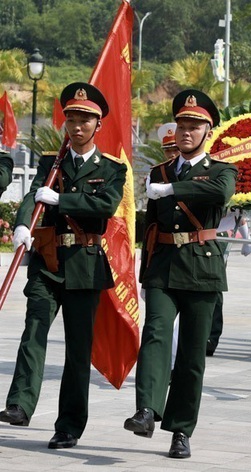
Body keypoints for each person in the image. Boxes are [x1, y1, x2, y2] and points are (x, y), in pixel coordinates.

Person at [0, 83, 127, 449]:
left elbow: (105, 204)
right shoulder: (49, 163)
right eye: (71, 118)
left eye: (85, 119)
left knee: (77, 349)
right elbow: (31, 194)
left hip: (85, 265)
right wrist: (24, 223)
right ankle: (19, 404)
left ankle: (69, 425)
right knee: (34, 328)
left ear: (98, 124)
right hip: (48, 260)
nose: (77, 126)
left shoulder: (112, 169)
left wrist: (63, 199)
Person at [124, 90, 236, 459]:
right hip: (163, 266)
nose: (186, 132)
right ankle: (146, 410)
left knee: (191, 354)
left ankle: (181, 430)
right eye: (182, 125)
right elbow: (151, 227)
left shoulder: (222, 171)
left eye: (195, 126)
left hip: (202, 269)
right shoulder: (159, 172)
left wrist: (173, 188)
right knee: (155, 333)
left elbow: (218, 194)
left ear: (209, 131)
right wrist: (143, 272)